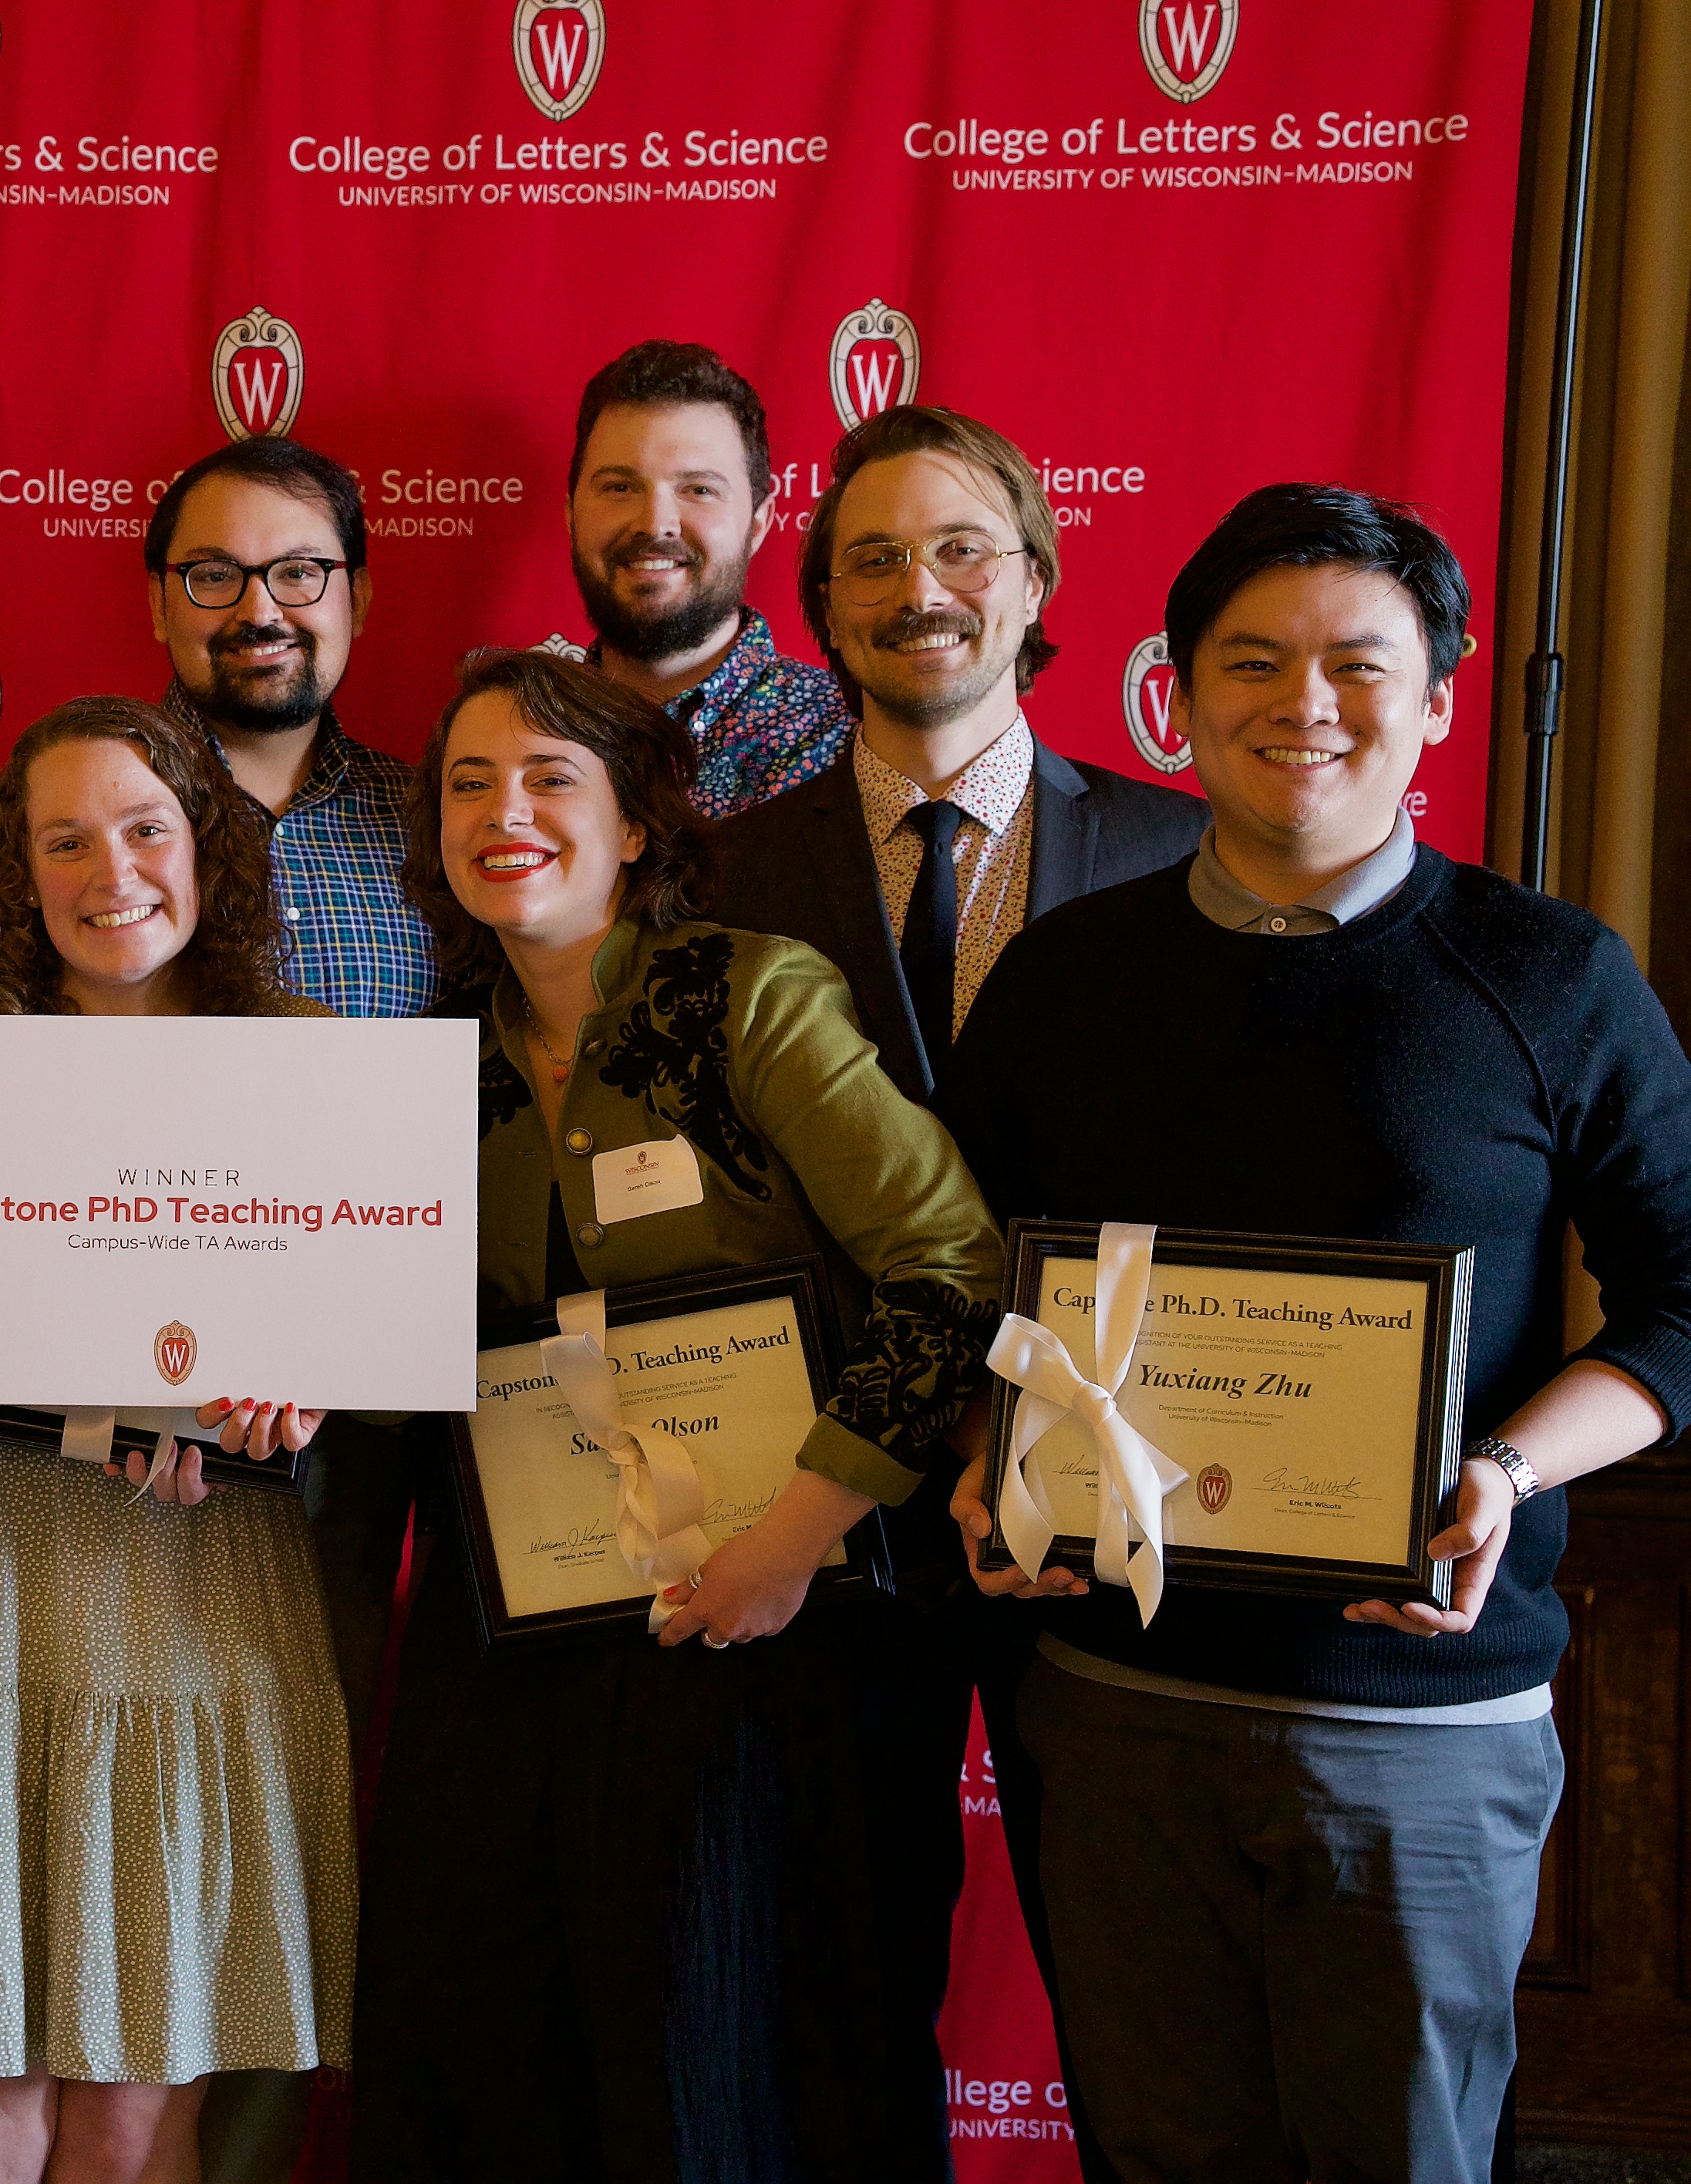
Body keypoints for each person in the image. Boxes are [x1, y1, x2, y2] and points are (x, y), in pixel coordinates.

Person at [943, 486, 1691, 2183]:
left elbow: (1682, 1302)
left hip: (1418, 1734)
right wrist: (976, 1463)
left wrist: (1504, 1469)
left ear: (1435, 698)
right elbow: (960, 1282)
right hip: (1118, 1704)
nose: (1303, 704)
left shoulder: (1548, 973)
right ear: (1173, 694)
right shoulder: (1066, 979)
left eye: (1358, 665)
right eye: (1251, 662)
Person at [352, 648, 1001, 2182]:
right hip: (508, 1659)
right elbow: (375, 1353)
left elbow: (949, 1269)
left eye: (546, 777)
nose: (500, 811)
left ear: (635, 824)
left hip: (765, 1649)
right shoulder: (419, 1068)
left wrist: (788, 1540)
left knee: (730, 2074)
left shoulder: (747, 996)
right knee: (498, 2067)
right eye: (464, 783)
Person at [707, 405, 1207, 2152]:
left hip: (1110, 1511)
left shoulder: (1179, 858)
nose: (916, 589)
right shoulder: (723, 874)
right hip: (827, 1520)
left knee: (1147, 1993)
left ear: (1034, 580)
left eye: (957, 550)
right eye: (870, 558)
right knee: (837, 1999)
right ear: (821, 605)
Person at [0, 696, 354, 2184]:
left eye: (148, 828)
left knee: (134, 2106)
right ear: (16, 866)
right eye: (68, 838)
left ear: (206, 849)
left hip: (192, 1582)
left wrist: (302, 1394)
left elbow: (352, 1323)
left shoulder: (304, 1058)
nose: (115, 870)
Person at [0, 433, 436, 1020]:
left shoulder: (432, 820)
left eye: (300, 571)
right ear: (158, 605)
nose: (259, 612)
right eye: (214, 574)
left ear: (356, 598)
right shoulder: (50, 803)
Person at [564, 340, 849, 817]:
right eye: (619, 487)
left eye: (699, 489)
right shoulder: (519, 740)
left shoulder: (849, 739)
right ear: (571, 516)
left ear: (758, 524)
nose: (655, 524)